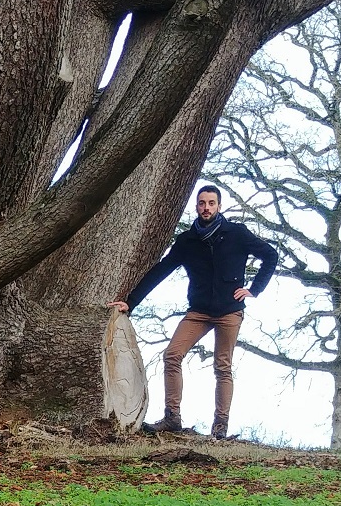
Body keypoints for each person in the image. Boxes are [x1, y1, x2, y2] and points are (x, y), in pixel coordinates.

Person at [107, 184, 278, 439]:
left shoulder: (236, 234)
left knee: (222, 367)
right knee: (172, 355)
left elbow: (271, 256)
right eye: (201, 203)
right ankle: (172, 417)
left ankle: (220, 426)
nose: (206, 207)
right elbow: (161, 270)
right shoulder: (187, 241)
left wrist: (254, 289)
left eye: (211, 203)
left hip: (229, 312)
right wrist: (131, 301)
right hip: (198, 311)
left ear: (219, 206)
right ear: (196, 206)